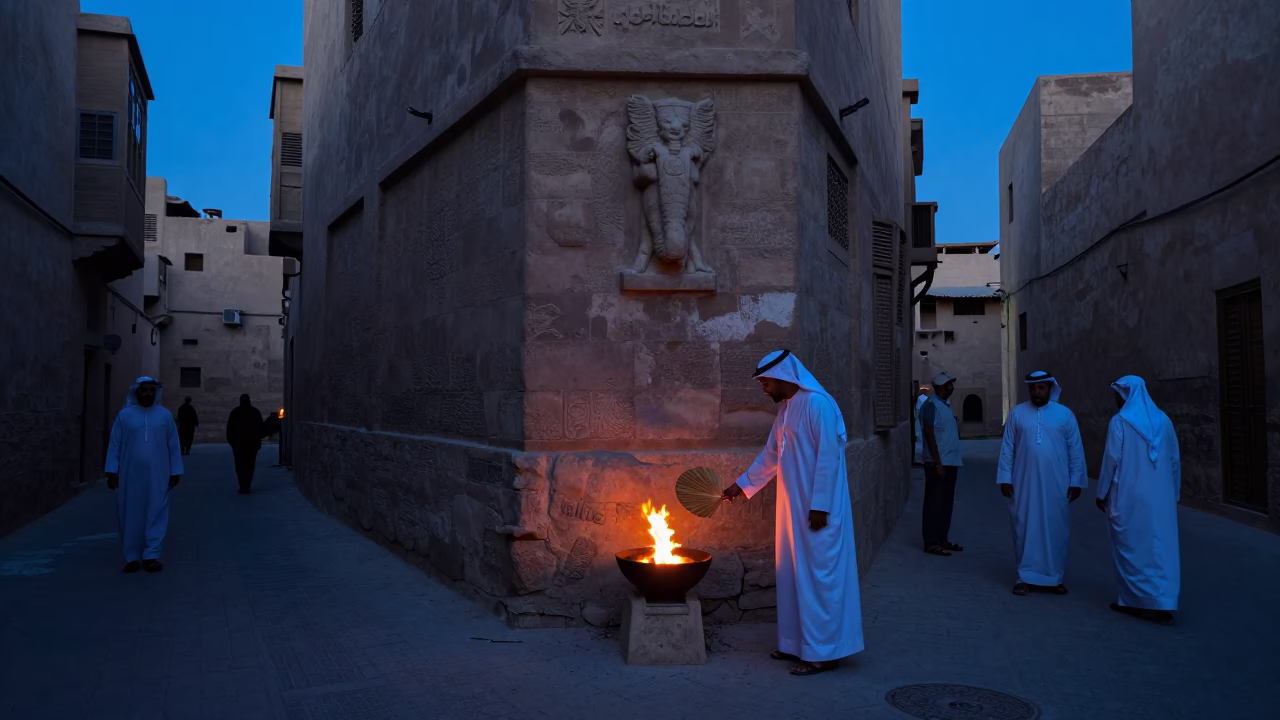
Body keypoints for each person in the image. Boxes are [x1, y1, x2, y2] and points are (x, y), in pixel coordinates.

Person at [722, 350, 862, 676]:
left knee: (818, 578)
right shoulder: (786, 411)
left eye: (766, 382)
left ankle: (823, 653)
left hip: (817, 512)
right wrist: (740, 487)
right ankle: (795, 644)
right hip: (793, 510)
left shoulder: (819, 406)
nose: (763, 389)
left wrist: (820, 507)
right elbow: (771, 456)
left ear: (785, 377)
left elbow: (829, 457)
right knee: (792, 576)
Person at [1096, 376, 1181, 626]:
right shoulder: (1163, 420)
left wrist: (1101, 493)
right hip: (1161, 499)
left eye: (1117, 396)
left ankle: (1134, 600)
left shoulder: (1119, 422)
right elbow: (1174, 460)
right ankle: (1164, 601)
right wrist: (1173, 493)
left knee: (1132, 545)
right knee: (1160, 549)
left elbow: (1111, 459)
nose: (1116, 401)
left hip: (1129, 497)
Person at [996, 370, 1086, 596]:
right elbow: (1007, 449)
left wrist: (1076, 481)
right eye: (1033, 388)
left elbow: (1075, 451)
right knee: (1024, 527)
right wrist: (1005, 478)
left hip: (1057, 485)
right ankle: (1023, 577)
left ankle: (1054, 578)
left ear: (1050, 388)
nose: (1037, 392)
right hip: (1023, 483)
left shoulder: (1065, 415)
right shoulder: (1017, 414)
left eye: (1041, 388)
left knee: (1055, 528)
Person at [105, 377, 184, 573]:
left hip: (159, 474)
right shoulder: (125, 416)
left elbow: (173, 446)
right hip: (129, 476)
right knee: (129, 513)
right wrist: (111, 470)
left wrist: (175, 471)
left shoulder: (165, 416)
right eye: (144, 390)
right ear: (137, 392)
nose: (148, 393)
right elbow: (115, 444)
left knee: (156, 511)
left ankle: (151, 555)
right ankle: (131, 556)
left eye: (151, 390)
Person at [919, 372, 963, 556]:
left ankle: (942, 538)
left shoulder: (945, 406)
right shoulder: (931, 406)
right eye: (948, 384)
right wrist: (937, 462)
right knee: (934, 503)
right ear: (940, 387)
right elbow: (929, 435)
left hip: (950, 462)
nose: (951, 387)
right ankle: (931, 542)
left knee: (946, 503)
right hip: (938, 464)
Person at [226, 394, 264, 494]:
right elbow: (261, 429)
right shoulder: (255, 412)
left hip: (238, 444)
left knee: (239, 465)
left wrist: (232, 443)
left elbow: (229, 429)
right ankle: (247, 485)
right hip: (252, 444)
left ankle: (242, 485)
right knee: (250, 465)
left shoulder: (235, 412)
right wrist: (258, 442)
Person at [912, 386, 931, 466]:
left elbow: (917, 411)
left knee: (919, 441)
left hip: (919, 422)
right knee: (922, 441)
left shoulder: (920, 399)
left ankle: (918, 460)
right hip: (923, 422)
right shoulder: (926, 399)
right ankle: (920, 459)